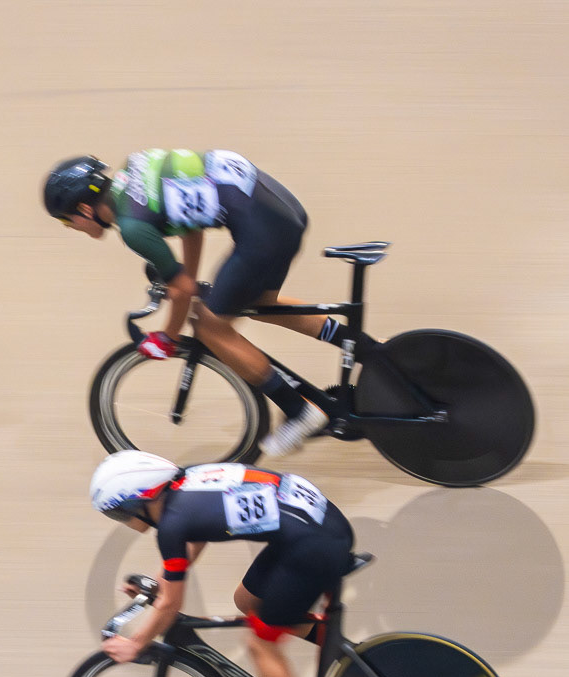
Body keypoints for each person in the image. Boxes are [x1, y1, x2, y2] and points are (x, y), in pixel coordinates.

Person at [44, 151, 383, 456]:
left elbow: (180, 291)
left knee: (209, 327)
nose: (71, 228)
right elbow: (191, 228)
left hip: (261, 229)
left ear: (84, 209)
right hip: (281, 209)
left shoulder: (131, 227)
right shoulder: (134, 171)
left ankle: (300, 412)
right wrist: (187, 282)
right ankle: (368, 350)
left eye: (66, 221)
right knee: (261, 303)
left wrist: (169, 337)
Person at [90, 450, 356, 677]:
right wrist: (161, 587)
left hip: (313, 545)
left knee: (260, 643)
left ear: (139, 501)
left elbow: (171, 607)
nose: (122, 522)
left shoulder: (172, 525)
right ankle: (338, 649)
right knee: (247, 601)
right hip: (318, 526)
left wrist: (136, 643)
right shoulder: (185, 484)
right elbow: (193, 544)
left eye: (119, 514)